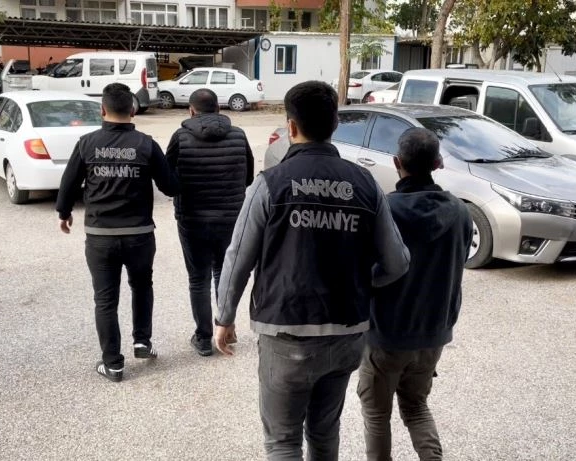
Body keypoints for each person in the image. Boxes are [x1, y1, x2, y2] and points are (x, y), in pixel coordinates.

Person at [214, 81, 411, 460]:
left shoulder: (269, 184)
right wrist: (362, 283)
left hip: (286, 332)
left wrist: (224, 317)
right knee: (324, 432)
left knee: (282, 442)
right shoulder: (366, 184)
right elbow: (397, 262)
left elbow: (238, 257)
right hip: (347, 332)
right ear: (335, 124)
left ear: (291, 127)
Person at [356, 128, 473, 461]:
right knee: (416, 406)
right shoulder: (460, 212)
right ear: (438, 163)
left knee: (377, 414)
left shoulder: (384, 211)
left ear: (397, 162)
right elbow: (460, 263)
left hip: (386, 335)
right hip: (433, 335)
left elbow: (365, 269)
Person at [56, 82, 178, 383]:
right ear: (133, 110)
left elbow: (68, 183)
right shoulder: (146, 144)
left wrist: (64, 213)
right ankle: (142, 341)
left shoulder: (86, 143)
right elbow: (170, 187)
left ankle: (112, 363)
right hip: (140, 235)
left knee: (105, 300)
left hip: (100, 236)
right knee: (142, 286)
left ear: (102, 110)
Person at [165, 89, 254, 357]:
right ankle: (225, 329)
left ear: (191, 110)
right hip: (230, 218)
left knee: (198, 278)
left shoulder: (180, 137)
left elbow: (168, 180)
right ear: (218, 108)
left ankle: (203, 338)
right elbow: (248, 177)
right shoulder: (239, 135)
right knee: (223, 273)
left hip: (192, 220)